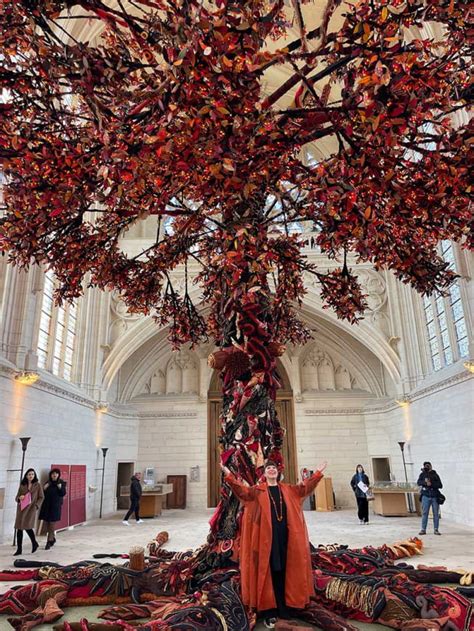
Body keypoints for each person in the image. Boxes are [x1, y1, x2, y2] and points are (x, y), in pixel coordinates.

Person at [221, 459, 327, 629]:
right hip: (266, 542)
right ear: (264, 473)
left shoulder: (288, 489)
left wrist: (317, 473)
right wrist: (229, 475)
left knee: (285, 571)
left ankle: (284, 609)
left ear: (278, 473)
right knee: (270, 572)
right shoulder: (257, 491)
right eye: (268, 468)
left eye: (274, 468)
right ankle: (270, 611)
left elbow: (305, 488)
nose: (271, 470)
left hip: (286, 539)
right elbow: (242, 492)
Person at [14, 468, 44, 556]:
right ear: (26, 475)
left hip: (31, 509)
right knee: (19, 528)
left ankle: (34, 543)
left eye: (32, 474)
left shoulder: (37, 485)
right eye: (29, 474)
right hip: (21, 509)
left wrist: (36, 506)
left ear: (34, 475)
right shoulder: (22, 484)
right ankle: (19, 549)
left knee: (28, 527)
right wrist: (19, 498)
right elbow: (17, 497)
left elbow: (41, 497)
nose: (31, 476)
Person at [39, 468, 67, 549]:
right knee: (47, 524)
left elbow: (63, 493)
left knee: (52, 524)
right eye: (53, 474)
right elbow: (42, 494)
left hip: (55, 507)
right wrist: (44, 488)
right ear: (50, 475)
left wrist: (60, 487)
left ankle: (48, 541)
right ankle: (52, 539)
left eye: (56, 474)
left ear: (58, 475)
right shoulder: (48, 483)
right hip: (46, 506)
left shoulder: (61, 483)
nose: (54, 475)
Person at [417, 461, 443, 535]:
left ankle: (436, 529)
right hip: (425, 495)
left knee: (436, 513)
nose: (427, 467)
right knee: (425, 513)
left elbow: (440, 485)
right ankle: (423, 529)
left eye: (428, 466)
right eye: (426, 466)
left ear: (431, 466)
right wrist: (425, 483)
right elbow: (419, 482)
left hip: (434, 496)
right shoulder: (422, 474)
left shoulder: (435, 474)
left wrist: (432, 484)